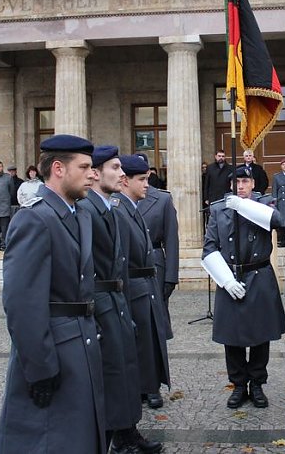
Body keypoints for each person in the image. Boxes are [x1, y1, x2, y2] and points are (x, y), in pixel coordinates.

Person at [0, 135, 105, 453]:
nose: (92, 174)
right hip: (52, 351)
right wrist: (40, 368)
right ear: (58, 168)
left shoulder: (79, 214)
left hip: (80, 343)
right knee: (47, 440)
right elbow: (21, 304)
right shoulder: (34, 219)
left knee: (78, 438)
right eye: (84, 167)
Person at [80, 146, 161, 454]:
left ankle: (127, 432)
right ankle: (114, 437)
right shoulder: (88, 210)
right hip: (101, 301)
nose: (122, 174)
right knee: (111, 373)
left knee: (124, 369)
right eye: (115, 168)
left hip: (116, 297)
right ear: (96, 173)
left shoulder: (108, 208)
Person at [201, 165, 285, 409]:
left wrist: (244, 206)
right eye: (236, 182)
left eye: (245, 181)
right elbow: (209, 248)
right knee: (233, 336)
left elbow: (278, 221)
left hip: (258, 275)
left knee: (261, 335)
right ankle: (239, 385)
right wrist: (225, 280)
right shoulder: (219, 209)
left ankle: (257, 383)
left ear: (253, 183)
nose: (240, 186)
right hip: (231, 275)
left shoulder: (264, 203)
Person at [114, 154, 171, 410]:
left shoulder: (134, 206)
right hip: (133, 284)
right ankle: (143, 387)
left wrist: (169, 277)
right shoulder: (118, 210)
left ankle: (151, 385)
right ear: (125, 181)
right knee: (140, 340)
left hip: (149, 280)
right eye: (142, 179)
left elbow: (170, 239)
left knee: (153, 338)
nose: (147, 184)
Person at [138, 169, 180, 333]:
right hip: (129, 267)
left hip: (155, 263)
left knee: (157, 322)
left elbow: (171, 240)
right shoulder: (116, 200)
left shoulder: (162, 199)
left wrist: (171, 277)